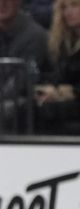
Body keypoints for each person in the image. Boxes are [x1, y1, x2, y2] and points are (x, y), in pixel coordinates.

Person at [35, 0, 80, 132]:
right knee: (33, 108)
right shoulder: (62, 44)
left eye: (74, 5)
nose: (68, 12)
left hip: (75, 102)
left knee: (45, 112)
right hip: (66, 104)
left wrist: (72, 92)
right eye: (64, 7)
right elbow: (57, 76)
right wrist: (51, 89)